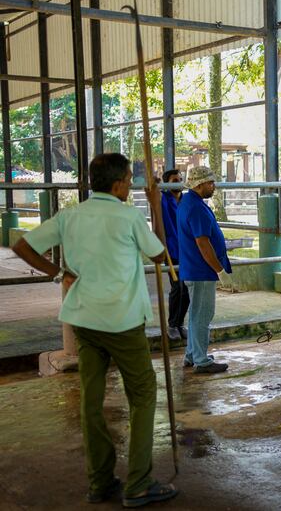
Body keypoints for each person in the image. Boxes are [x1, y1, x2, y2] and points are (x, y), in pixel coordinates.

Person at [11, 153, 178, 507]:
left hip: (84, 320)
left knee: (91, 401)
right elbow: (160, 255)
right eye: (130, 179)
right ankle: (138, 482)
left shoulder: (71, 216)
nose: (131, 185)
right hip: (122, 321)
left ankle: (100, 481)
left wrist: (59, 274)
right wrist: (155, 206)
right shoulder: (129, 216)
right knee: (144, 395)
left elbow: (21, 245)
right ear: (118, 184)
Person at [177, 166, 231, 374]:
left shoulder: (189, 202)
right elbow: (203, 243)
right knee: (202, 315)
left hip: (194, 268)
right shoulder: (196, 207)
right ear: (199, 185)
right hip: (201, 269)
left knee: (196, 314)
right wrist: (219, 269)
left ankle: (192, 354)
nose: (213, 186)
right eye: (210, 183)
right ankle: (201, 360)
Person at [161, 169, 188, 341]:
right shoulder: (163, 199)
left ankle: (179, 323)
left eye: (180, 179)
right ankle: (172, 324)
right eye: (174, 180)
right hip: (171, 249)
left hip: (187, 249)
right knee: (177, 286)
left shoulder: (185, 199)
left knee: (187, 288)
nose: (178, 182)